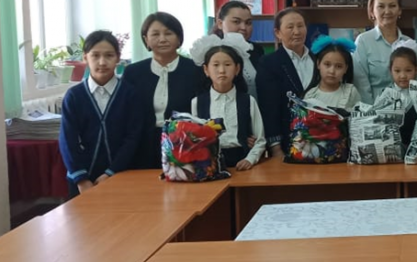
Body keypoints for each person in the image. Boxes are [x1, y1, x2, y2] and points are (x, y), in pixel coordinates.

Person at [59, 30, 147, 197]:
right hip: (82, 179)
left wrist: (111, 172)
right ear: (85, 58)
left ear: (118, 58)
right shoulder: (74, 96)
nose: (102, 62)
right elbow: (67, 141)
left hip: (121, 174)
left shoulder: (130, 94)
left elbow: (133, 137)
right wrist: (81, 179)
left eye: (109, 55)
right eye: (95, 55)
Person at [122, 11, 204, 169]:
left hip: (184, 145)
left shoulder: (196, 70)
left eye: (168, 33)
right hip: (142, 146)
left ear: (179, 38)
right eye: (155, 34)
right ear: (146, 40)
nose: (162, 39)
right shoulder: (133, 72)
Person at [190, 43, 265, 171]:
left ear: (237, 69)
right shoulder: (197, 102)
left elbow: (260, 140)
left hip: (242, 162)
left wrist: (250, 159)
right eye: (215, 65)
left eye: (227, 64)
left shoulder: (248, 101)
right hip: (210, 165)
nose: (221, 70)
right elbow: (195, 140)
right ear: (206, 70)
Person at [256, 8, 318, 156]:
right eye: (290, 27)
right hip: (288, 139)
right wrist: (275, 147)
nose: (297, 31)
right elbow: (269, 108)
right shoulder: (269, 63)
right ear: (278, 33)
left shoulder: (319, 59)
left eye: (300, 26)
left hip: (320, 136)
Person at [353, 0, 414, 103]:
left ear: (399, 10)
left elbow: (416, 84)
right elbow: (361, 85)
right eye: (381, 6)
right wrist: (372, 111)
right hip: (373, 108)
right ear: (372, 12)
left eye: (392, 6)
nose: (387, 11)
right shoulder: (363, 41)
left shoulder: (409, 43)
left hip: (406, 108)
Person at [304, 36, 362, 110]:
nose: (332, 71)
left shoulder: (351, 93)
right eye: (327, 64)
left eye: (338, 66)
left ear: (346, 68)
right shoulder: (310, 95)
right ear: (318, 64)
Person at [388, 43, 417, 148]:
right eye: (397, 71)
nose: (402, 76)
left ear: (416, 70)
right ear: (390, 71)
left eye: (408, 70)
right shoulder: (385, 94)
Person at [215, 0, 264, 69]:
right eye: (236, 21)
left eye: (248, 23)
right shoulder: (210, 50)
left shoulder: (256, 49)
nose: (243, 27)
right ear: (220, 24)